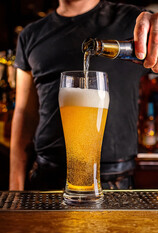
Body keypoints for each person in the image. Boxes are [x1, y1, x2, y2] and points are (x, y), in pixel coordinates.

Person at [9, 0, 158, 191]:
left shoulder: (134, 21)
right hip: (47, 175)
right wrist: (15, 186)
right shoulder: (30, 34)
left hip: (113, 181)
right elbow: (24, 113)